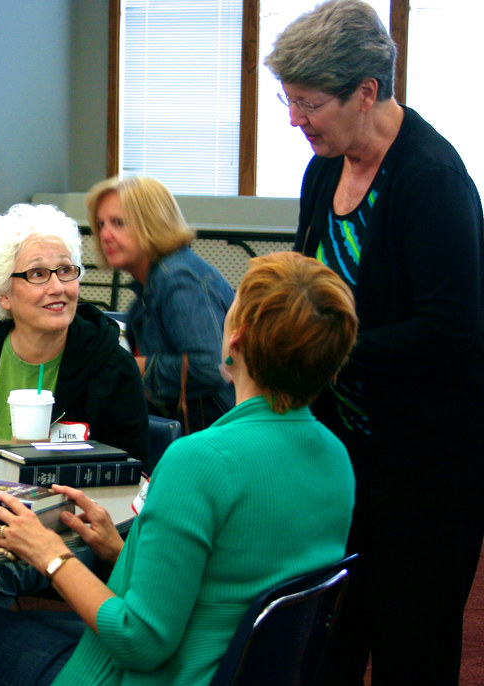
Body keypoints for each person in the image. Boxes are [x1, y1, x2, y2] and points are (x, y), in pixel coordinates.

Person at [0, 251, 359, 686]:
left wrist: (49, 553)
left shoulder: (201, 460)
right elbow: (230, 577)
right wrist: (124, 550)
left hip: (152, 674)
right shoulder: (337, 457)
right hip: (227, 667)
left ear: (234, 341)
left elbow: (139, 642)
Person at [265, 3, 484, 684]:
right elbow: (308, 286)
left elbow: (453, 332)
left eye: (309, 103)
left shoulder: (430, 179)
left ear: (366, 92)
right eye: (289, 100)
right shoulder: (323, 171)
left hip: (426, 466)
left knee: (410, 648)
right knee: (327, 643)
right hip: (342, 457)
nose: (296, 120)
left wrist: (325, 353)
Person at [0, 202, 149, 466]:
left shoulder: (113, 367)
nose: (57, 287)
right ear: (3, 294)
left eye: (65, 270)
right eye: (37, 274)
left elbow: (134, 470)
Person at [86, 175, 235, 433]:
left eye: (118, 223)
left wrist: (136, 367)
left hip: (219, 436)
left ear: (152, 223)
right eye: (100, 224)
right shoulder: (153, 282)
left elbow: (211, 368)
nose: (105, 235)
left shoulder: (178, 278)